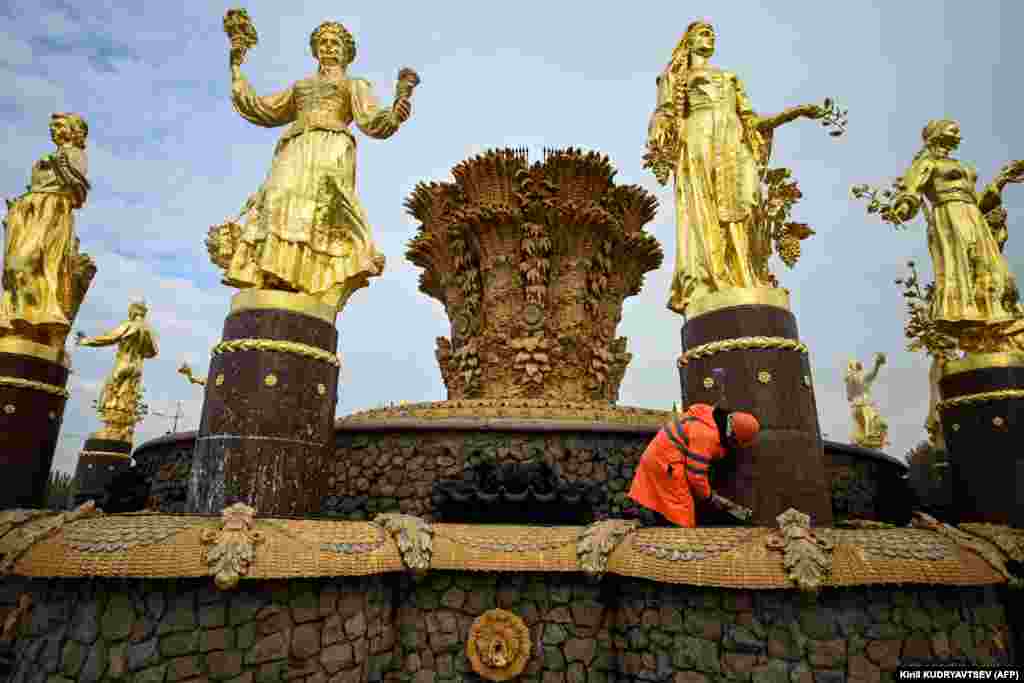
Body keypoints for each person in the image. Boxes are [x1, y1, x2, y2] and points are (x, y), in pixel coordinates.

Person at [219, 20, 417, 310]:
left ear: (346, 52)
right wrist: (236, 67)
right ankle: (276, 273)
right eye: (322, 43)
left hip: (332, 148)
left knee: (321, 209)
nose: (328, 48)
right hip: (297, 146)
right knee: (277, 198)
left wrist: (395, 114)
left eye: (334, 43)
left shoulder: (353, 85)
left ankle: (312, 280)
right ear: (315, 50)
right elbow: (263, 108)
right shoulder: (301, 87)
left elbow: (373, 121)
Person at [646, 21, 825, 314]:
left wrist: (793, 113)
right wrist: (660, 135)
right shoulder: (677, 77)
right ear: (688, 42)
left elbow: (751, 121)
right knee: (706, 209)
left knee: (746, 205)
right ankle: (708, 279)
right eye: (703, 33)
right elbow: (664, 113)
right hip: (699, 141)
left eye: (713, 33)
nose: (710, 37)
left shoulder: (730, 78)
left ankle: (745, 274)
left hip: (733, 142)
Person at [628, 403, 760, 528]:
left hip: (660, 460)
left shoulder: (711, 417)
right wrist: (711, 498)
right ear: (733, 435)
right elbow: (696, 476)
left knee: (672, 511)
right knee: (681, 516)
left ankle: (664, 532)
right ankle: (673, 545)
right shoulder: (707, 435)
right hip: (666, 465)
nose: (734, 446)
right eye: (736, 443)